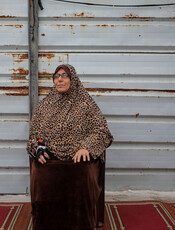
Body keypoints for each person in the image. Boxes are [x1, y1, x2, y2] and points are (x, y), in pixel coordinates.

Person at [27, 64, 113, 230]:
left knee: (82, 172)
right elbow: (34, 134)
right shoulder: (45, 105)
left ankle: (80, 224)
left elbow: (102, 131)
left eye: (64, 75)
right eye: (56, 76)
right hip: (51, 155)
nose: (59, 79)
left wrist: (86, 147)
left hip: (79, 156)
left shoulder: (86, 104)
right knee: (40, 171)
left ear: (73, 79)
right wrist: (37, 147)